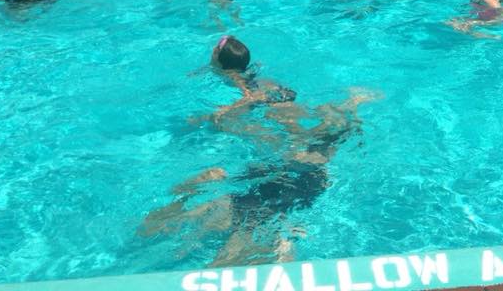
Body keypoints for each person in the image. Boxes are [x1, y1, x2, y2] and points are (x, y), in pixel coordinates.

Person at [139, 36, 378, 267]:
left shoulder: (242, 90)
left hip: (279, 148)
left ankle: (351, 104)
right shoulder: (260, 80)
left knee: (301, 142)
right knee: (308, 141)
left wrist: (214, 116)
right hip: (281, 135)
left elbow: (237, 105)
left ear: (219, 60)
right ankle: (351, 104)